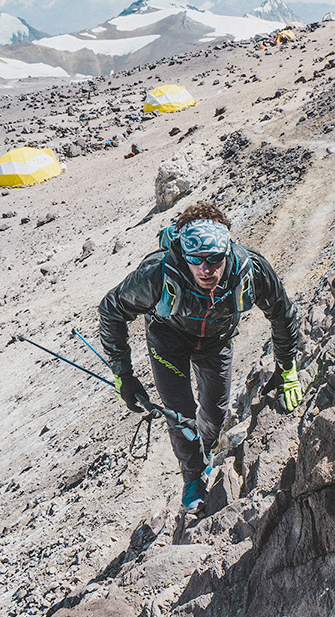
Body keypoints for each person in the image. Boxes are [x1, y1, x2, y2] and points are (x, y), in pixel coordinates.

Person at [98, 202, 302, 514]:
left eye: (214, 259)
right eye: (196, 260)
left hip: (216, 340)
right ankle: (192, 476)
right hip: (168, 340)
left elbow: (283, 314)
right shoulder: (156, 274)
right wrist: (122, 373)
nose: (206, 270)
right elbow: (111, 310)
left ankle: (206, 453)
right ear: (182, 253)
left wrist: (287, 367)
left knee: (215, 413)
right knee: (180, 416)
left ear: (228, 250)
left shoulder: (251, 270)